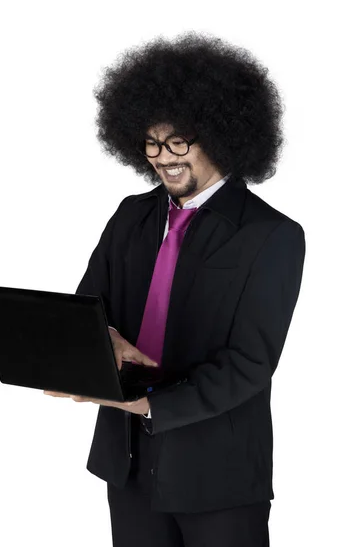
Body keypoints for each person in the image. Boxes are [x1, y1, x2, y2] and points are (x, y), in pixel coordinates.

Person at [44, 32, 306, 546]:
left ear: (222, 135)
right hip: (129, 464)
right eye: (151, 142)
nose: (162, 156)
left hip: (220, 475)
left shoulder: (270, 235)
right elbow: (86, 311)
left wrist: (153, 405)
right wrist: (89, 349)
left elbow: (251, 363)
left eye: (178, 140)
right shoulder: (130, 217)